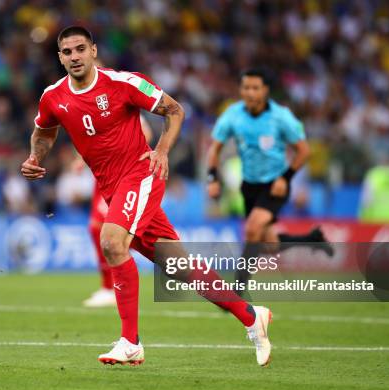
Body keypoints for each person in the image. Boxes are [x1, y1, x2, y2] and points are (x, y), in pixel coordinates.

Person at [21, 26, 272, 367]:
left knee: (111, 242)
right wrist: (37, 157)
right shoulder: (53, 96)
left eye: (81, 48)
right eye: (67, 52)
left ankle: (130, 341)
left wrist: (162, 150)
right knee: (180, 267)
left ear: (93, 50)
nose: (75, 56)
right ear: (60, 57)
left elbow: (175, 110)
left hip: (141, 175)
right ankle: (251, 315)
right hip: (113, 188)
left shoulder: (124, 83)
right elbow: (45, 131)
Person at [206, 68, 333, 295]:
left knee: (252, 228)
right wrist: (213, 178)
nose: (250, 93)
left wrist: (286, 178)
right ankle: (312, 239)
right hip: (250, 186)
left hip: (275, 184)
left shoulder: (281, 116)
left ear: (265, 90)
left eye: (255, 88)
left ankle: (237, 291)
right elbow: (214, 148)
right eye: (246, 88)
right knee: (269, 245)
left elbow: (304, 151)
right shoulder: (232, 115)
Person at [82, 114, 153, 308]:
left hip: (122, 176)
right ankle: (110, 286)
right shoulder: (89, 107)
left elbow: (146, 133)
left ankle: (113, 286)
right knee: (99, 229)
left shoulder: (120, 103)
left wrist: (121, 151)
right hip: (103, 175)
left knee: (107, 231)